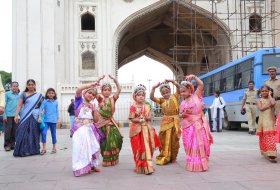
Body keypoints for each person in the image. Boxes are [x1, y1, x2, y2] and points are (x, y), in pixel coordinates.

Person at [70, 80, 106, 177]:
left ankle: (92, 166)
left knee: (92, 147)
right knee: (81, 148)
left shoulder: (92, 106)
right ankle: (81, 167)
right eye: (89, 92)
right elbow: (78, 90)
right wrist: (91, 85)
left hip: (90, 129)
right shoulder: (78, 101)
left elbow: (96, 120)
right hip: (80, 129)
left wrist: (95, 111)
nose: (91, 95)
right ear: (84, 93)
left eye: (93, 95)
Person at [179, 75, 213, 172]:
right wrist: (183, 114)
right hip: (187, 126)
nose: (182, 94)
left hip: (197, 125)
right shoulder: (183, 103)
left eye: (184, 91)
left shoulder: (196, 96)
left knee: (199, 144)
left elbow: (201, 84)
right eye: (181, 92)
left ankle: (200, 162)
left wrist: (194, 77)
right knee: (188, 144)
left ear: (190, 90)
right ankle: (191, 161)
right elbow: (180, 115)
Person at [129, 84, 161, 175]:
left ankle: (148, 166)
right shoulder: (133, 107)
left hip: (147, 130)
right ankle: (139, 166)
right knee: (138, 149)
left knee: (149, 148)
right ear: (135, 96)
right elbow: (131, 119)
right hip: (137, 131)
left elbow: (150, 116)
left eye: (143, 95)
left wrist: (148, 117)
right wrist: (140, 119)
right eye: (139, 95)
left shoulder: (147, 106)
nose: (141, 97)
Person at [150, 79, 181, 165]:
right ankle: (165, 155)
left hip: (175, 122)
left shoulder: (175, 96)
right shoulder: (161, 100)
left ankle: (173, 157)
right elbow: (152, 98)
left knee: (174, 140)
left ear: (170, 91)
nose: (165, 94)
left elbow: (179, 88)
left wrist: (172, 81)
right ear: (161, 94)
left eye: (167, 92)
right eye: (163, 93)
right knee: (163, 139)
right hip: (165, 122)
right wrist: (153, 88)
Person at [96, 74, 123, 167]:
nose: (107, 92)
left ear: (111, 91)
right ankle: (106, 159)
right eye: (105, 90)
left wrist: (114, 80)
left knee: (116, 139)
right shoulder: (100, 100)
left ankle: (114, 159)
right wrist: (99, 79)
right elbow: (94, 91)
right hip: (101, 124)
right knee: (104, 143)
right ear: (102, 91)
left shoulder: (113, 99)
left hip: (111, 122)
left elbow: (119, 89)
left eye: (108, 90)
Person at [13, 79, 43, 157]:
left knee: (34, 133)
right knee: (22, 132)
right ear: (27, 86)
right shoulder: (23, 94)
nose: (30, 86)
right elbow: (19, 105)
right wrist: (16, 115)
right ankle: (22, 150)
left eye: (32, 84)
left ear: (35, 85)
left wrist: (40, 116)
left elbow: (42, 107)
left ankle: (33, 150)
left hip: (35, 116)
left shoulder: (39, 95)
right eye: (29, 84)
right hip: (25, 115)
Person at [256, 85, 277, 163]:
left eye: (266, 91)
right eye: (262, 91)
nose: (264, 92)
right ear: (260, 92)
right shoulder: (258, 100)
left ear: (269, 92)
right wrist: (269, 105)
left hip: (270, 121)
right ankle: (266, 152)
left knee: (270, 137)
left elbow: (273, 103)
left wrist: (270, 96)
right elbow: (261, 108)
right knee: (263, 137)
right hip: (262, 121)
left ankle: (272, 155)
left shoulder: (271, 99)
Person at [38, 88, 59, 155]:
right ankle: (43, 148)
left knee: (53, 134)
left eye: (52, 93)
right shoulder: (44, 102)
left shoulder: (56, 102)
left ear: (54, 94)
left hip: (53, 121)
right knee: (43, 133)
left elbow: (57, 111)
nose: (51, 94)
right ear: (47, 94)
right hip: (46, 121)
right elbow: (40, 110)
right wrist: (39, 117)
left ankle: (54, 148)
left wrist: (57, 119)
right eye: (49, 93)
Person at [3, 81, 20, 151]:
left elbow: (20, 106)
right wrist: (4, 115)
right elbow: (4, 105)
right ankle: (7, 145)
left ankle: (12, 145)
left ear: (18, 87)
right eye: (14, 86)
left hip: (16, 116)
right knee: (8, 131)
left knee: (14, 131)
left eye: (16, 86)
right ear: (11, 87)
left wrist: (20, 115)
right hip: (8, 115)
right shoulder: (7, 94)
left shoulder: (19, 95)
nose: (15, 87)